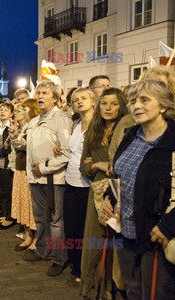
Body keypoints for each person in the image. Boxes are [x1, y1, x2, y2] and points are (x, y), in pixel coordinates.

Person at [104, 80, 175, 299]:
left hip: (156, 236)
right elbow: (120, 174)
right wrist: (110, 196)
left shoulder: (171, 141)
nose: (136, 106)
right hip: (125, 231)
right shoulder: (131, 135)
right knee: (132, 290)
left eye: (145, 100)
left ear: (163, 106)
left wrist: (168, 226)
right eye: (133, 101)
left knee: (155, 294)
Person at [79, 88, 128, 298]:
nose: (108, 108)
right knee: (94, 239)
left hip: (121, 189)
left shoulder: (128, 129)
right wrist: (96, 165)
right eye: (104, 103)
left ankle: (114, 288)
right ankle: (93, 288)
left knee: (117, 243)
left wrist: (103, 164)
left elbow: (122, 164)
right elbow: (83, 165)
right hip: (97, 190)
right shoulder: (93, 130)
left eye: (114, 104)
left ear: (122, 106)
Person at [24, 80, 72, 277]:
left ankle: (59, 258)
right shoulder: (35, 120)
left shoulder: (61, 119)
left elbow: (67, 152)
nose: (40, 96)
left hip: (54, 179)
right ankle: (43, 249)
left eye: (44, 93)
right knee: (40, 218)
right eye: (38, 93)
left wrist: (43, 168)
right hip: (35, 179)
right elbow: (28, 147)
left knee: (56, 221)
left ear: (55, 97)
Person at [60, 88, 95, 286]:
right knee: (71, 228)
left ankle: (86, 269)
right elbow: (72, 150)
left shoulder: (99, 126)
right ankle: (75, 266)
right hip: (71, 181)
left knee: (85, 230)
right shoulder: (76, 123)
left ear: (93, 100)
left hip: (87, 185)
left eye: (83, 98)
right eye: (75, 99)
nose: (79, 102)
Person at [10, 100, 40, 251]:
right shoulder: (25, 127)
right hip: (20, 168)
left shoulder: (36, 125)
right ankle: (28, 234)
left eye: (24, 109)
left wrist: (16, 138)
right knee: (23, 204)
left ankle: (36, 238)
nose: (20, 112)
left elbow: (28, 146)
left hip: (29, 170)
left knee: (30, 205)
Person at [0, 102, 15, 229]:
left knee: (7, 192)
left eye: (6, 110)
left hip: (6, 164)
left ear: (11, 113)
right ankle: (4, 214)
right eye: (1, 110)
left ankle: (10, 217)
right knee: (0, 191)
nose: (2, 112)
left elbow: (12, 148)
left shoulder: (11, 128)